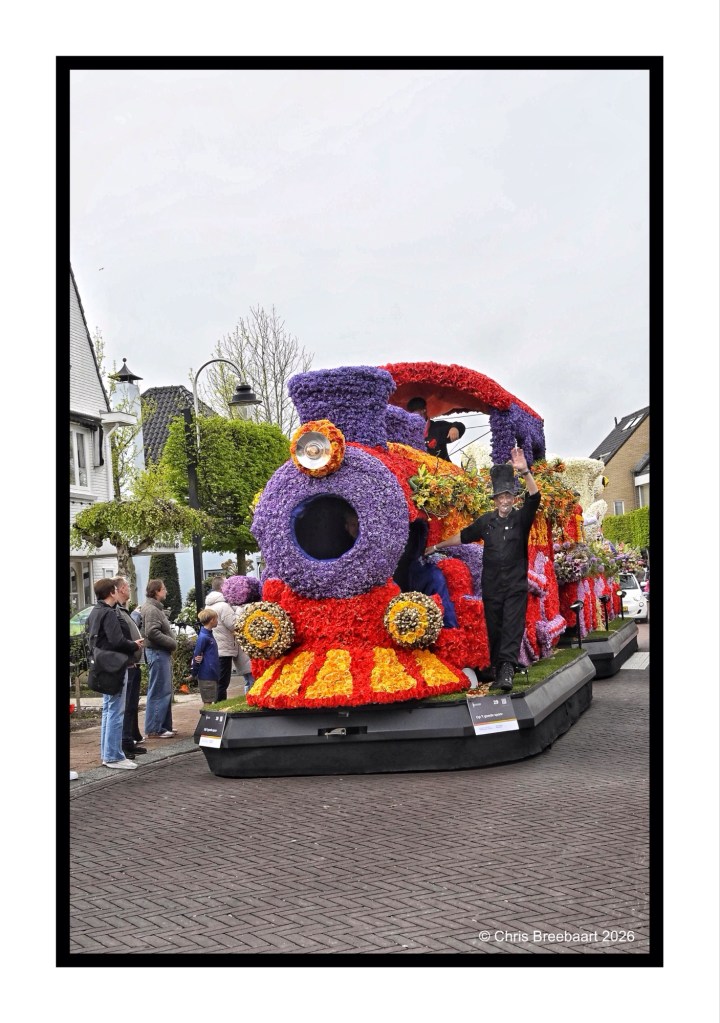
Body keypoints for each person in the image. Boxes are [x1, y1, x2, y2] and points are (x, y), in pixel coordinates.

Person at [425, 447, 540, 692]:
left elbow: (535, 498)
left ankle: (508, 669)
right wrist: (435, 546)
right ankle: (500, 669)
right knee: (495, 627)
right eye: (501, 497)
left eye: (509, 496)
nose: (505, 500)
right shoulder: (486, 521)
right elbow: (464, 536)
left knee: (511, 625)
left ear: (513, 497)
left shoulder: (521, 518)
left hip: (515, 586)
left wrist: (526, 472)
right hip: (492, 586)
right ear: (496, 499)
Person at [87, 578, 144, 770]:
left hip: (102, 665)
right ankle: (113, 756)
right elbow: (117, 640)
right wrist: (133, 645)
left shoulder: (95, 612)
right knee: (115, 711)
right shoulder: (109, 613)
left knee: (108, 709)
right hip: (115, 665)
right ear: (111, 592)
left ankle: (108, 753)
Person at [113, 576, 147, 760]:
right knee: (125, 706)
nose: (129, 589)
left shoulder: (123, 610)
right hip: (127, 664)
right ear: (119, 589)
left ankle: (129, 740)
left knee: (132, 705)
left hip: (133, 663)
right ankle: (124, 743)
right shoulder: (116, 612)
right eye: (126, 587)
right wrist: (133, 646)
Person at [139, 578, 178, 737]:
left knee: (164, 689)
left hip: (160, 652)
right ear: (156, 591)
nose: (166, 591)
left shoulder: (154, 608)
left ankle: (164, 726)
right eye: (164, 588)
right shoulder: (152, 609)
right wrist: (172, 643)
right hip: (157, 652)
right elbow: (152, 632)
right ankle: (155, 728)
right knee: (159, 690)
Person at [205, 578, 239, 702]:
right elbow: (234, 624)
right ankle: (219, 708)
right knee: (223, 683)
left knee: (218, 681)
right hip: (224, 648)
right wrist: (239, 612)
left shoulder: (208, 604)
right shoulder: (224, 606)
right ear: (222, 588)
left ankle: (216, 705)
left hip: (215, 648)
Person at [407, 396, 466, 462]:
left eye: (417, 413)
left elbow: (460, 426)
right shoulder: (408, 431)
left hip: (441, 469)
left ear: (424, 410)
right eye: (412, 415)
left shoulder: (438, 427)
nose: (415, 417)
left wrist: (455, 428)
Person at [190, 609, 221, 704]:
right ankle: (206, 719)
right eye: (216, 619)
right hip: (207, 675)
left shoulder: (207, 635)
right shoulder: (204, 637)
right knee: (208, 703)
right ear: (212, 620)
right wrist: (193, 672)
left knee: (211, 703)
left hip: (211, 674)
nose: (217, 621)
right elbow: (197, 655)